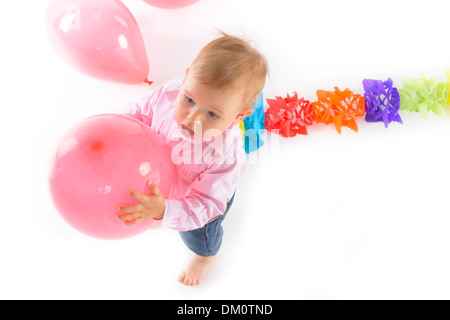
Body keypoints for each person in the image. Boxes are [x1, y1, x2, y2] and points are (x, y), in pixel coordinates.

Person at [116, 31, 268, 286]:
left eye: (212, 114)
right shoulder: (169, 93)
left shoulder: (225, 155)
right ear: (186, 78)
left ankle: (206, 258)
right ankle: (162, 212)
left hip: (201, 202)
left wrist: (166, 210)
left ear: (238, 116)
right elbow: (140, 114)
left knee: (197, 235)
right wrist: (118, 126)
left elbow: (205, 203)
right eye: (189, 100)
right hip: (163, 179)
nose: (192, 119)